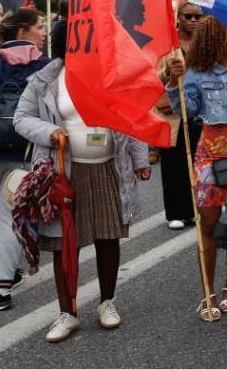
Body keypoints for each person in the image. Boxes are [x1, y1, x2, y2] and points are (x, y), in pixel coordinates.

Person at [14, 57, 151, 342]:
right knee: (63, 244)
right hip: (63, 169)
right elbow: (22, 118)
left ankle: (107, 302)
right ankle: (68, 313)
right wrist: (50, 132)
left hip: (107, 166)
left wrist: (140, 158)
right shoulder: (45, 79)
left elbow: (131, 114)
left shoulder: (113, 73)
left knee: (108, 236)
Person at [166, 17, 227, 319]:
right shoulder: (195, 73)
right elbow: (187, 109)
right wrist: (174, 82)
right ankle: (208, 290)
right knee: (207, 222)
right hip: (209, 153)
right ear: (215, 40)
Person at [0, 8, 50, 312]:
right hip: (22, 152)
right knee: (7, 215)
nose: (43, 33)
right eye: (39, 27)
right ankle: (0, 288)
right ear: (22, 32)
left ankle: (9, 274)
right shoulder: (44, 67)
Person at [160, 2, 206, 230]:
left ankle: (195, 209)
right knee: (174, 163)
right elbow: (153, 74)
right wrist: (167, 72)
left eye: (199, 16)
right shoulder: (167, 44)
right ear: (179, 17)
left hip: (199, 111)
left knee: (199, 161)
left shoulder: (205, 45)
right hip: (173, 113)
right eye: (189, 16)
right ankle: (175, 212)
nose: (194, 20)